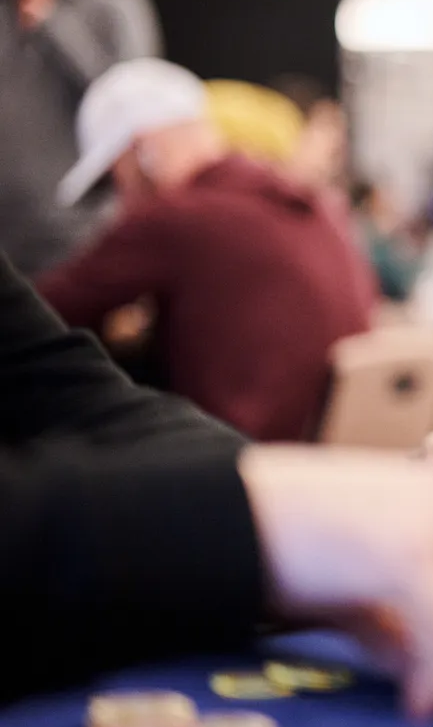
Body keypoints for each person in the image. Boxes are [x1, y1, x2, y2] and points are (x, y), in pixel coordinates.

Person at [1, 250, 433, 713]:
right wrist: (252, 519)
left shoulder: (177, 209)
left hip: (264, 447)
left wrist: (305, 507)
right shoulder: (310, 213)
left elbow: (67, 386)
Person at [35, 58, 376, 442]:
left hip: (240, 454)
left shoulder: (175, 215)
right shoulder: (308, 203)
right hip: (321, 452)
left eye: (115, 178)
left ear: (143, 152)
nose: (119, 200)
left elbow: (42, 314)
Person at [0, 0, 162, 276]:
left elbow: (134, 99)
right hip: (7, 228)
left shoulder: (113, 0)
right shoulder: (5, 3)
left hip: (77, 228)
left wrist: (54, 24)